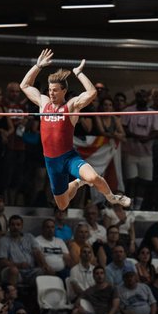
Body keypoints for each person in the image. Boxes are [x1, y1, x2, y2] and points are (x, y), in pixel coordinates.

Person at [19, 47, 131, 211]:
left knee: (93, 177)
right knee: (62, 205)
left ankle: (112, 198)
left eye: (55, 90)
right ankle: (79, 182)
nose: (51, 93)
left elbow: (92, 92)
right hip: (51, 161)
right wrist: (38, 66)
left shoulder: (71, 106)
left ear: (63, 90)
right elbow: (25, 85)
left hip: (68, 158)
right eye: (50, 90)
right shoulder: (43, 103)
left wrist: (78, 73)